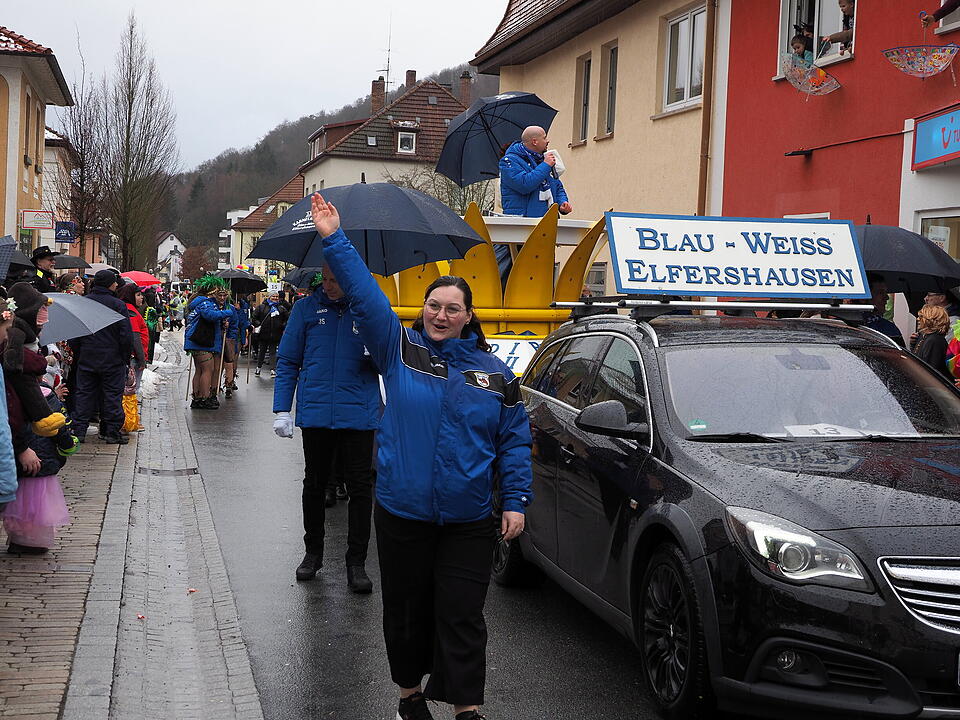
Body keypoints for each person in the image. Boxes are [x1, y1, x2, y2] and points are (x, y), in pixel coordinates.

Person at [310, 193, 532, 720]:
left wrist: (516, 499)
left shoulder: (494, 373)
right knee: (407, 613)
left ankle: (467, 709)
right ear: (423, 310)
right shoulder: (398, 350)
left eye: (452, 308)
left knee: (462, 615)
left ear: (468, 316)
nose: (440, 314)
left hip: (468, 519)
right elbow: (365, 296)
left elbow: (514, 440)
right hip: (403, 512)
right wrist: (333, 239)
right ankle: (409, 697)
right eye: (434, 305)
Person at [272, 267, 380, 588]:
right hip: (317, 413)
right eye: (326, 279)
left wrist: (374, 352)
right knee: (315, 485)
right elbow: (289, 359)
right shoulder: (306, 309)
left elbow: (391, 359)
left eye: (337, 280)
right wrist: (282, 409)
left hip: (358, 414)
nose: (330, 286)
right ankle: (313, 553)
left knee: (360, 489)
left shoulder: (370, 310)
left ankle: (356, 562)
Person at [70, 270, 135, 444]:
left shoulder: (83, 303)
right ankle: (111, 432)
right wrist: (124, 357)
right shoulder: (117, 305)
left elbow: (75, 331)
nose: (116, 285)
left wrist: (79, 351)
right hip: (112, 359)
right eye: (114, 282)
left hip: (87, 357)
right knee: (112, 395)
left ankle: (79, 431)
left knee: (84, 394)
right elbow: (126, 335)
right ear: (109, 284)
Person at [499, 125, 572, 218]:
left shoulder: (543, 159)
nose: (548, 141)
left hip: (547, 221)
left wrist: (562, 203)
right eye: (544, 138)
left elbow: (557, 185)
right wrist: (545, 165)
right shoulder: (508, 162)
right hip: (522, 223)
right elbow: (524, 185)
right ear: (535, 142)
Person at [184, 275, 233, 410]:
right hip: (201, 342)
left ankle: (197, 397)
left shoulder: (200, 302)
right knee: (207, 370)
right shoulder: (205, 302)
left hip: (197, 341)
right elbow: (209, 316)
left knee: (199, 370)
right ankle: (204, 398)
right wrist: (227, 313)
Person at [117, 283, 148, 430]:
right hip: (134, 358)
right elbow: (135, 337)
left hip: (132, 356)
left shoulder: (130, 310)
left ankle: (130, 419)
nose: (141, 297)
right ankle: (129, 421)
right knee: (130, 390)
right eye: (138, 294)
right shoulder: (131, 312)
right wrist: (142, 359)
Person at [252, 291, 288, 377]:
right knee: (262, 351)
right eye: (273, 296)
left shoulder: (281, 308)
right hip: (264, 333)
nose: (275, 298)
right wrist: (258, 324)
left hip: (276, 333)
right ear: (269, 297)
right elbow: (254, 317)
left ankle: (273, 369)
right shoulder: (261, 307)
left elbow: (287, 319)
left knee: (273, 352)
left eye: (277, 296)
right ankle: (258, 367)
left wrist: (282, 325)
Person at [860, 277, 904, 346]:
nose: (887, 297)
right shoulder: (844, 325)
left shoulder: (889, 328)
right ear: (863, 297)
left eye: (886, 292)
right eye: (880, 292)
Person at [914, 305, 952, 380]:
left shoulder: (934, 340)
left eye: (921, 317)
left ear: (930, 320)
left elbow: (929, 370)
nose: (918, 319)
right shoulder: (926, 337)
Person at [216, 289, 239, 399]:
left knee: (228, 363)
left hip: (228, 338)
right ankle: (215, 385)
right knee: (217, 365)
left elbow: (235, 325)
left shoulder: (231, 308)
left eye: (224, 295)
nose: (222, 298)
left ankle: (228, 385)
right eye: (219, 295)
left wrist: (231, 337)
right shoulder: (213, 307)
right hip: (216, 340)